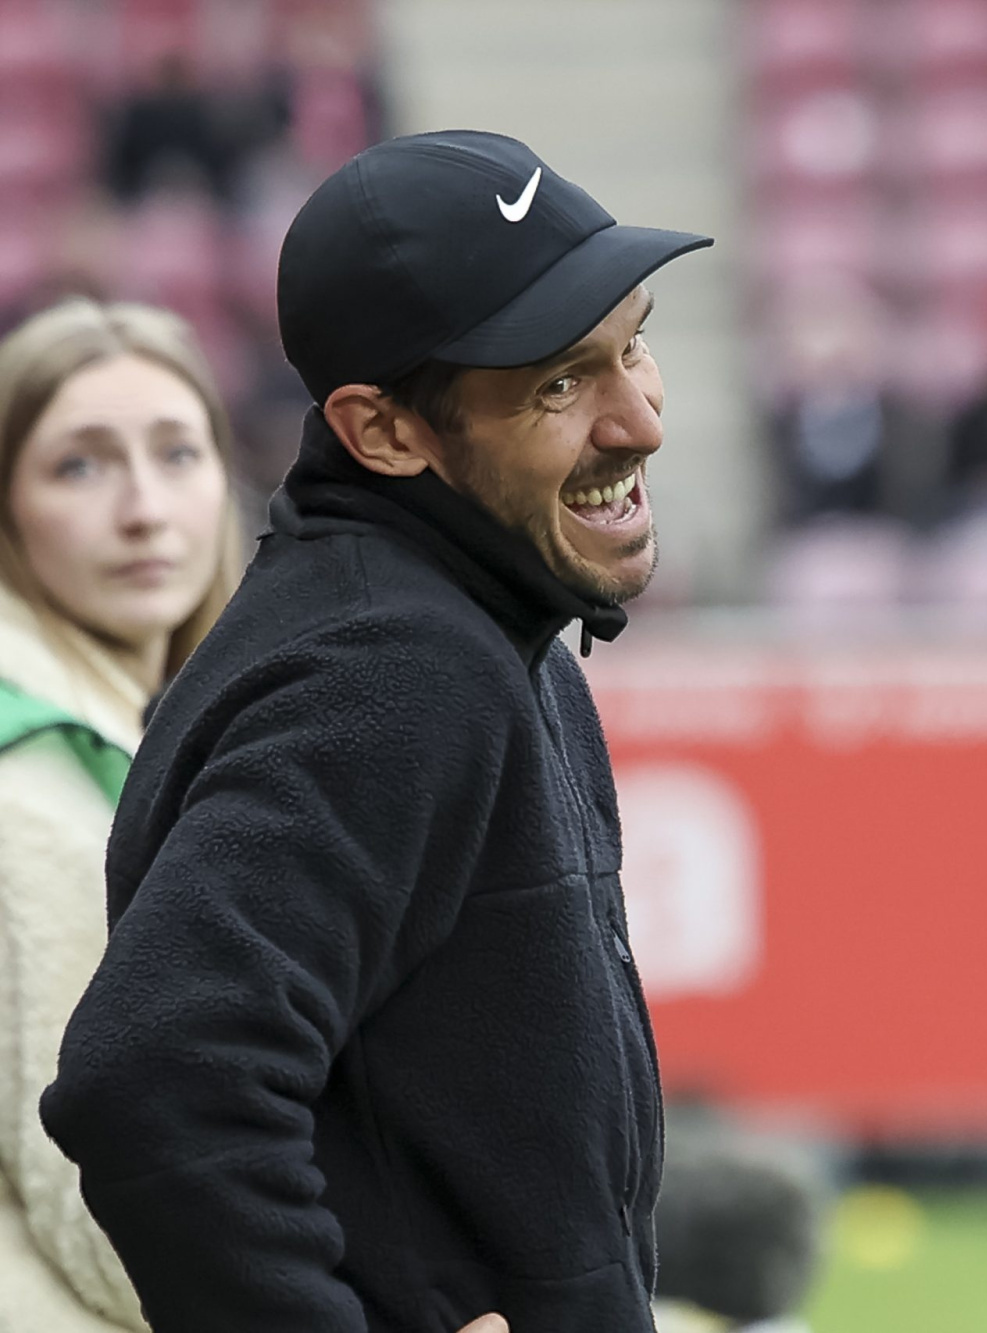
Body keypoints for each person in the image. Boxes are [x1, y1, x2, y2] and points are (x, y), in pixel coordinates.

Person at [38, 130, 711, 1333]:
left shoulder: (473, 625)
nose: (639, 420)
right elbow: (153, 1080)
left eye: (633, 345)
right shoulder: (393, 665)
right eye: (560, 384)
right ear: (384, 432)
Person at [0, 298, 240, 1331]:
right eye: (80, 466)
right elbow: (101, 1193)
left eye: (177, 452)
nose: (144, 509)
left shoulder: (169, 719)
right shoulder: (27, 769)